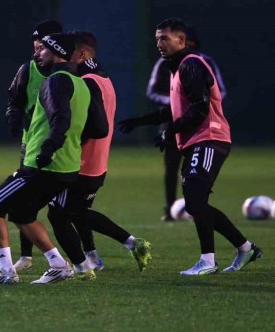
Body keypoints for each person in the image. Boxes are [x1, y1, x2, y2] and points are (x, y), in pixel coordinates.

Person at [118, 18, 261, 275]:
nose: (159, 44)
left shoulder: (191, 65)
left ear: (181, 40)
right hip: (198, 141)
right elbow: (175, 110)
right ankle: (245, 248)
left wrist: (169, 131)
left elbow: (199, 109)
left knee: (195, 200)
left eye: (165, 38)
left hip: (209, 138)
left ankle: (208, 261)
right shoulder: (176, 68)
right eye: (157, 39)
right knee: (196, 204)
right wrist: (140, 122)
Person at [0, 33, 104, 285]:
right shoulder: (82, 83)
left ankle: (6, 272)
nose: (37, 53)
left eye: (44, 49)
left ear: (57, 52)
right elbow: (97, 128)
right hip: (67, 166)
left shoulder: (55, 80)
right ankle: (58, 265)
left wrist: (48, 148)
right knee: (22, 214)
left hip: (43, 165)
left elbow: (60, 118)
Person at [44, 31, 152, 273]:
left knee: (61, 213)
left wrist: (67, 142)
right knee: (78, 211)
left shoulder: (86, 81)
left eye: (68, 51)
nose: (63, 55)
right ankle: (95, 256)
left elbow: (95, 126)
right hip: (97, 161)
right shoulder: (103, 78)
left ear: (82, 54)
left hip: (82, 160)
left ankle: (90, 262)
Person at [146, 26, 227, 221]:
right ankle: (170, 208)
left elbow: (220, 90)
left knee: (198, 172)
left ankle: (199, 207)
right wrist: (175, 103)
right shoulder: (164, 63)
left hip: (201, 127)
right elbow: (151, 91)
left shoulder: (204, 62)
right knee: (171, 167)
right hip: (173, 124)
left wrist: (198, 103)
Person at [5, 19, 62, 271]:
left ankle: (86, 255)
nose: (37, 48)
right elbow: (14, 100)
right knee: (24, 202)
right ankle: (26, 256)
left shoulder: (68, 73)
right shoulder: (27, 70)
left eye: (43, 44)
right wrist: (13, 118)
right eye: (36, 44)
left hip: (63, 146)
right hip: (31, 145)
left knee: (66, 207)